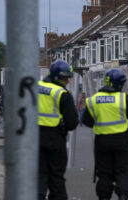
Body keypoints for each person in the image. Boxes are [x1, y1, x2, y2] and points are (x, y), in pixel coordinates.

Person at [82, 69, 128, 200]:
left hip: (102, 141)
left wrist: (99, 124)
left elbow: (86, 120)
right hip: (122, 141)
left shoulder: (94, 100)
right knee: (123, 172)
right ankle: (123, 195)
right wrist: (127, 130)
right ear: (120, 85)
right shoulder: (125, 99)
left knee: (104, 173)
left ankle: (104, 197)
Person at [38, 60, 79, 200]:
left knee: (39, 176)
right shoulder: (61, 94)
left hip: (33, 138)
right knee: (56, 178)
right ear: (57, 77)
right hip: (55, 138)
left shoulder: (34, 87)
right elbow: (72, 122)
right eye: (65, 78)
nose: (67, 81)